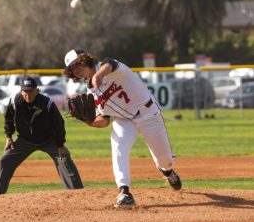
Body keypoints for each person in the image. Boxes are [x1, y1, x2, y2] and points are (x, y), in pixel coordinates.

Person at [64, 49, 182, 208]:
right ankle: (124, 192)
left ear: (85, 59)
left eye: (76, 64)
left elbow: (110, 64)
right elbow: (104, 120)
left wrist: (98, 75)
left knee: (165, 160)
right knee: (118, 146)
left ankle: (168, 172)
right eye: (71, 70)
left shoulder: (107, 66)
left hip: (148, 114)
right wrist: (89, 121)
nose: (75, 70)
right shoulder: (91, 92)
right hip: (124, 120)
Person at [0, 76, 83, 195]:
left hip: (48, 140)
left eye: (30, 90)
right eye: (25, 91)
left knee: (64, 158)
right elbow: (8, 119)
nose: (28, 94)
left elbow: (59, 124)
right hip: (24, 140)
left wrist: (60, 144)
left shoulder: (47, 103)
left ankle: (78, 195)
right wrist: (9, 136)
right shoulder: (14, 102)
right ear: (21, 91)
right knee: (5, 160)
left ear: (37, 90)